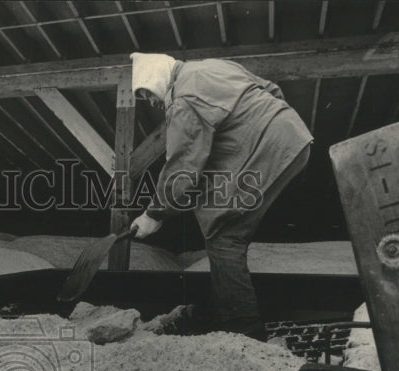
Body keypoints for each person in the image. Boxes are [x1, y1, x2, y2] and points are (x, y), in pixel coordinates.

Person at [129, 52, 312, 341]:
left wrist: (154, 214)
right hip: (293, 135)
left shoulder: (183, 98)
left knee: (224, 237)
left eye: (148, 93)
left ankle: (244, 332)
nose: (150, 102)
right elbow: (272, 90)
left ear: (159, 76)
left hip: (271, 150)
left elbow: (182, 166)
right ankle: (221, 312)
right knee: (219, 214)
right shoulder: (213, 66)